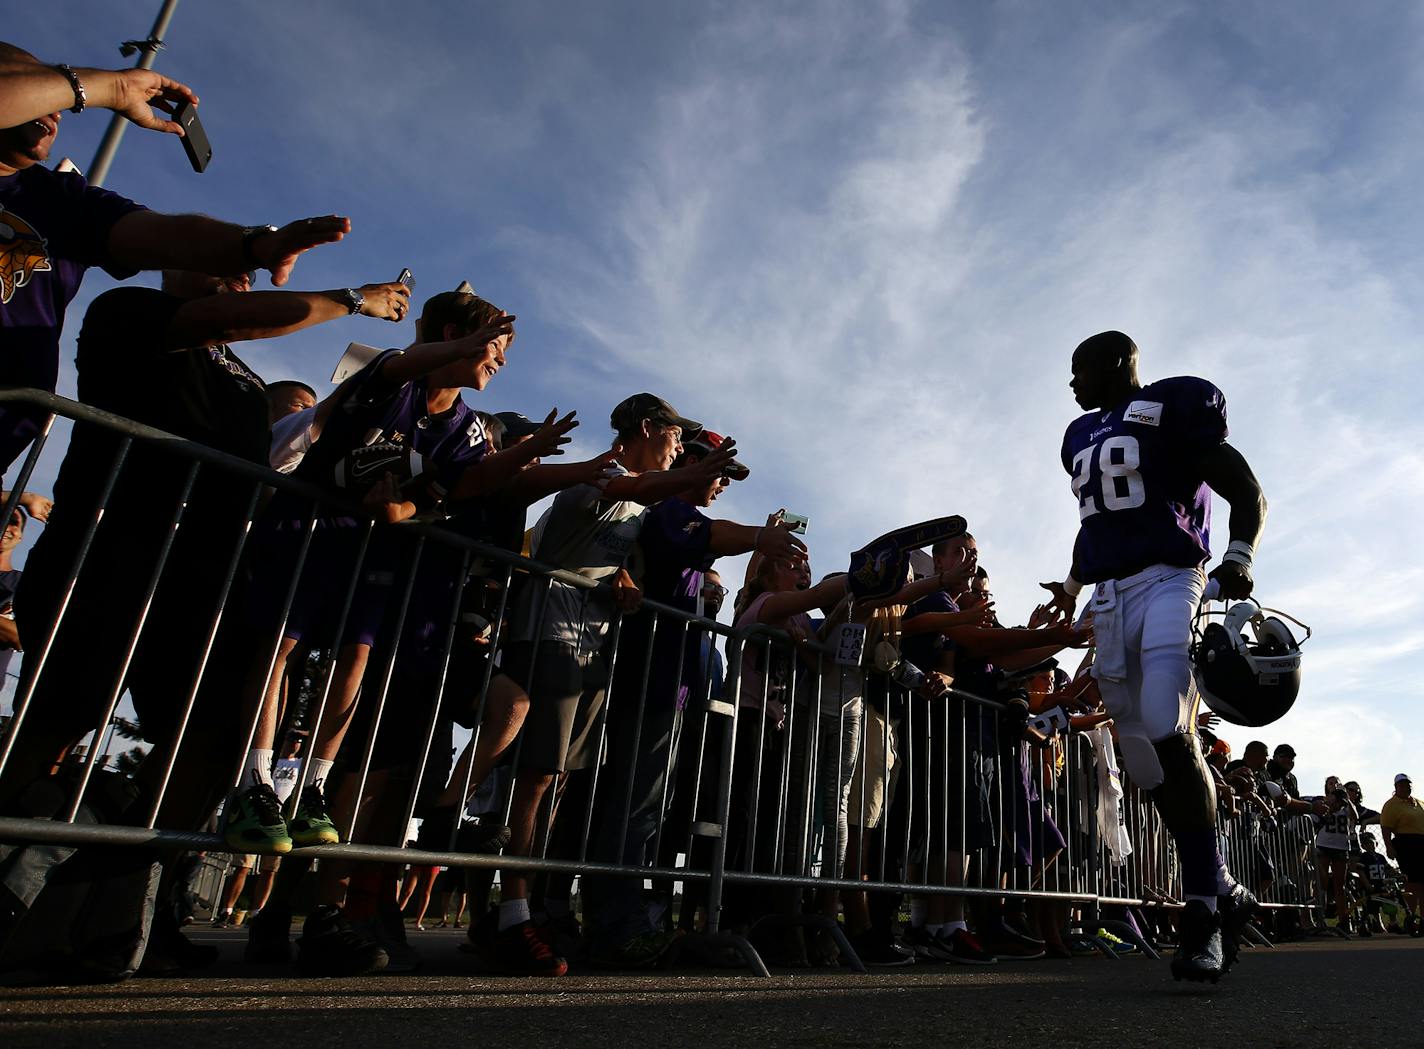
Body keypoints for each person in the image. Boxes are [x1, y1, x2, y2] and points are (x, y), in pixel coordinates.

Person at [0, 42, 351, 477]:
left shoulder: (61, 198)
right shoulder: (127, 310)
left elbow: (166, 233)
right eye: (43, 86)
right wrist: (104, 86)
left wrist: (255, 245)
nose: (61, 110)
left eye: (62, 96)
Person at [1038, 330, 1268, 983]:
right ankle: (1220, 884)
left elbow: (1245, 488)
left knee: (1169, 721)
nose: (1072, 381)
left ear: (1115, 364)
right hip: (1109, 592)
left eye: (1079, 366)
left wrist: (1240, 556)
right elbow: (1098, 524)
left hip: (1171, 576)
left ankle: (1200, 915)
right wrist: (1073, 586)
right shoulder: (1079, 434)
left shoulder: (1173, 408)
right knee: (1142, 754)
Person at [1379, 773, 1424, 936]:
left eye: (1408, 784)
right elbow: (1386, 828)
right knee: (1412, 883)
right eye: (1402, 784)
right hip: (1406, 844)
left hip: (1421, 843)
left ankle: (1423, 920)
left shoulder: (1418, 802)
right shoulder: (1392, 805)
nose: (1406, 787)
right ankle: (1411, 918)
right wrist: (1389, 847)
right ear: (1396, 787)